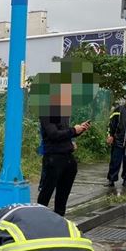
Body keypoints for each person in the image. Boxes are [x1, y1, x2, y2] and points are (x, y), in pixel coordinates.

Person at [37, 83, 90, 216]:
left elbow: (66, 133)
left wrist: (79, 130)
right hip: (54, 158)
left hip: (68, 158)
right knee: (46, 192)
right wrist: (73, 130)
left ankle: (60, 219)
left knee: (63, 194)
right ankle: (36, 218)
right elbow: (53, 134)